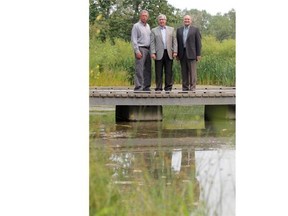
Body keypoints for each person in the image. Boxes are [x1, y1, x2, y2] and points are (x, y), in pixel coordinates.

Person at [150, 14, 177, 91]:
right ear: (158, 21)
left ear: (166, 20)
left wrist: (175, 51)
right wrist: (153, 52)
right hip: (158, 53)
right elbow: (152, 43)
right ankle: (158, 87)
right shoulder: (154, 30)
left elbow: (174, 41)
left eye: (163, 19)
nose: (162, 21)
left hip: (169, 53)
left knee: (168, 71)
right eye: (160, 19)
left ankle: (168, 87)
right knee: (158, 72)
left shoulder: (171, 29)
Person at [176, 15, 202, 91]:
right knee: (184, 72)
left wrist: (198, 54)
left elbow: (198, 43)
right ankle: (185, 88)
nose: (186, 20)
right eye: (185, 19)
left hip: (192, 54)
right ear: (183, 20)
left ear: (191, 21)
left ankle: (193, 87)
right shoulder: (179, 30)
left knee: (192, 72)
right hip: (182, 54)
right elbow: (177, 43)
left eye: (188, 19)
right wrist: (177, 54)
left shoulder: (195, 30)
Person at [131, 10, 152, 91]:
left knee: (148, 69)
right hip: (140, 48)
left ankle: (146, 87)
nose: (144, 17)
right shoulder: (136, 26)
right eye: (143, 15)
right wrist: (137, 51)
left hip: (148, 49)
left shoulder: (148, 26)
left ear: (148, 17)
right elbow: (134, 39)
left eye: (146, 16)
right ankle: (139, 87)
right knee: (139, 69)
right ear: (140, 16)